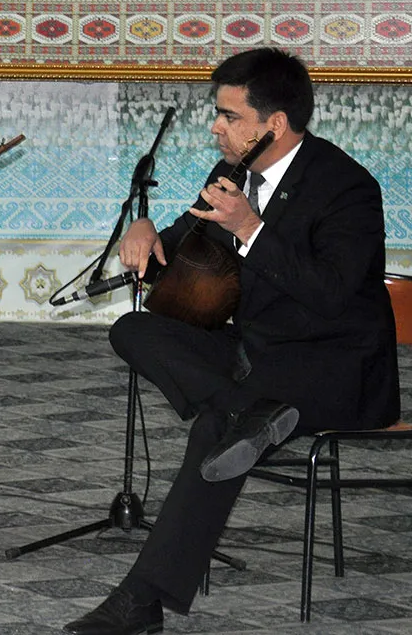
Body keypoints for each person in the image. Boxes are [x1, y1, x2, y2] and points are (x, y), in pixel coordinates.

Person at [63, 48, 399, 634]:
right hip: (254, 358)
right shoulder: (231, 176)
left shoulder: (346, 187)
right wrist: (146, 229)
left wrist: (250, 228)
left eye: (228, 116)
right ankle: (249, 411)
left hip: (333, 365)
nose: (215, 128)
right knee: (133, 328)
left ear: (274, 124)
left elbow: (331, 294)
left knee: (216, 430)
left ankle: (141, 600)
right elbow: (179, 246)